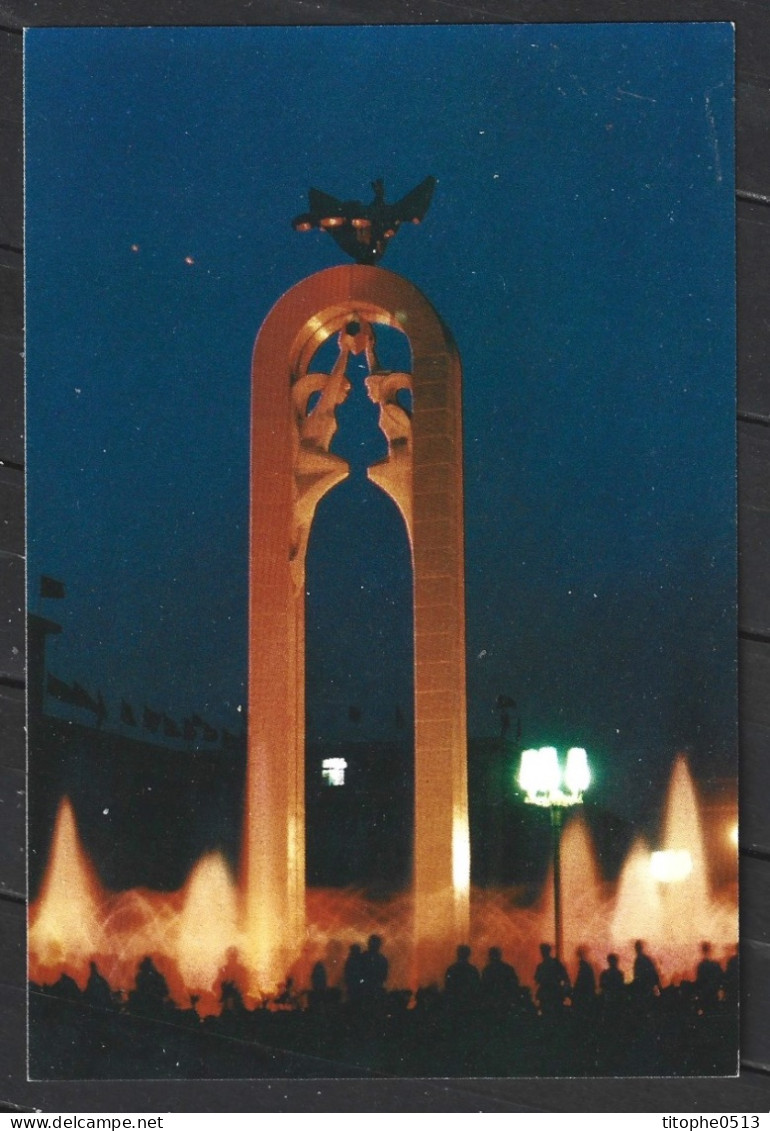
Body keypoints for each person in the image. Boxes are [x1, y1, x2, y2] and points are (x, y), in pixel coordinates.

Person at [534, 942, 570, 1015]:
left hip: (546, 996)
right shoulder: (556, 964)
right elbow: (565, 977)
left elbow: (537, 979)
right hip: (556, 995)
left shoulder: (541, 966)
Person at [444, 944, 481, 1009]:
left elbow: (448, 986)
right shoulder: (473, 970)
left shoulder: (451, 969)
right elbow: (477, 987)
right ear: (468, 955)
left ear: (458, 954)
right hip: (469, 1004)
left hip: (455, 1004)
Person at [695, 942, 723, 1011]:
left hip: (705, 994)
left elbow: (699, 982)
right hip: (713, 993)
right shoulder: (715, 964)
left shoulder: (701, 966)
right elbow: (720, 979)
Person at [572, 946, 597, 1013]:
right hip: (587, 995)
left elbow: (580, 982)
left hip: (584, 996)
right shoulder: (587, 966)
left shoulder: (584, 967)